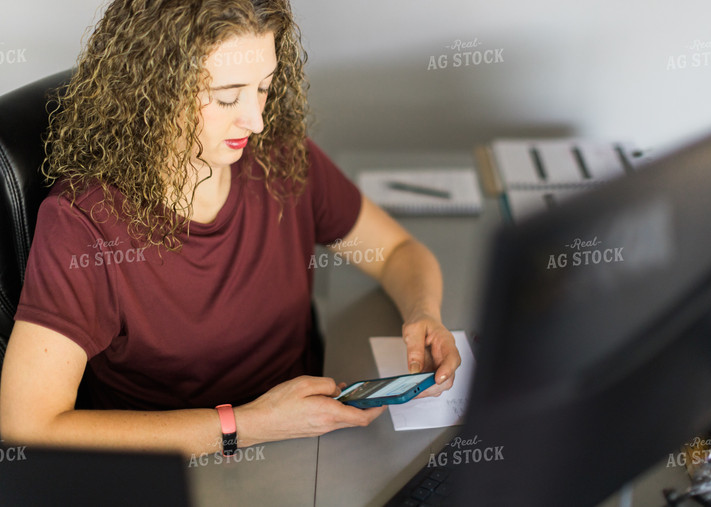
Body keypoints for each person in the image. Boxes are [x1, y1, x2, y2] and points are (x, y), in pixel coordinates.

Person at [0, 0, 460, 457]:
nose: (256, 120)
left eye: (263, 87)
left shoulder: (280, 158)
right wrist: (250, 426)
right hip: (189, 469)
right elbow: (28, 423)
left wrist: (423, 311)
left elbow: (397, 250)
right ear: (155, 88)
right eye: (226, 97)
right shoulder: (83, 223)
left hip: (307, 443)